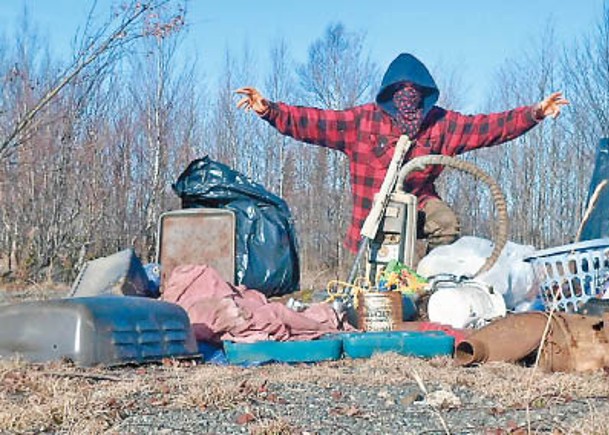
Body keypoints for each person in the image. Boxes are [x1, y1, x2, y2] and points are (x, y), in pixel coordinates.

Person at [235, 53, 569, 255]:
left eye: (415, 100)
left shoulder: (441, 124)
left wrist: (534, 113)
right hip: (373, 215)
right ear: (389, 98)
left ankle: (432, 285)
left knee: (446, 222)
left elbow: (488, 127)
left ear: (425, 99)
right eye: (401, 100)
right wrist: (270, 110)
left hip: (419, 205)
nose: (408, 109)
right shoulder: (361, 121)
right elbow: (316, 122)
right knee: (381, 273)